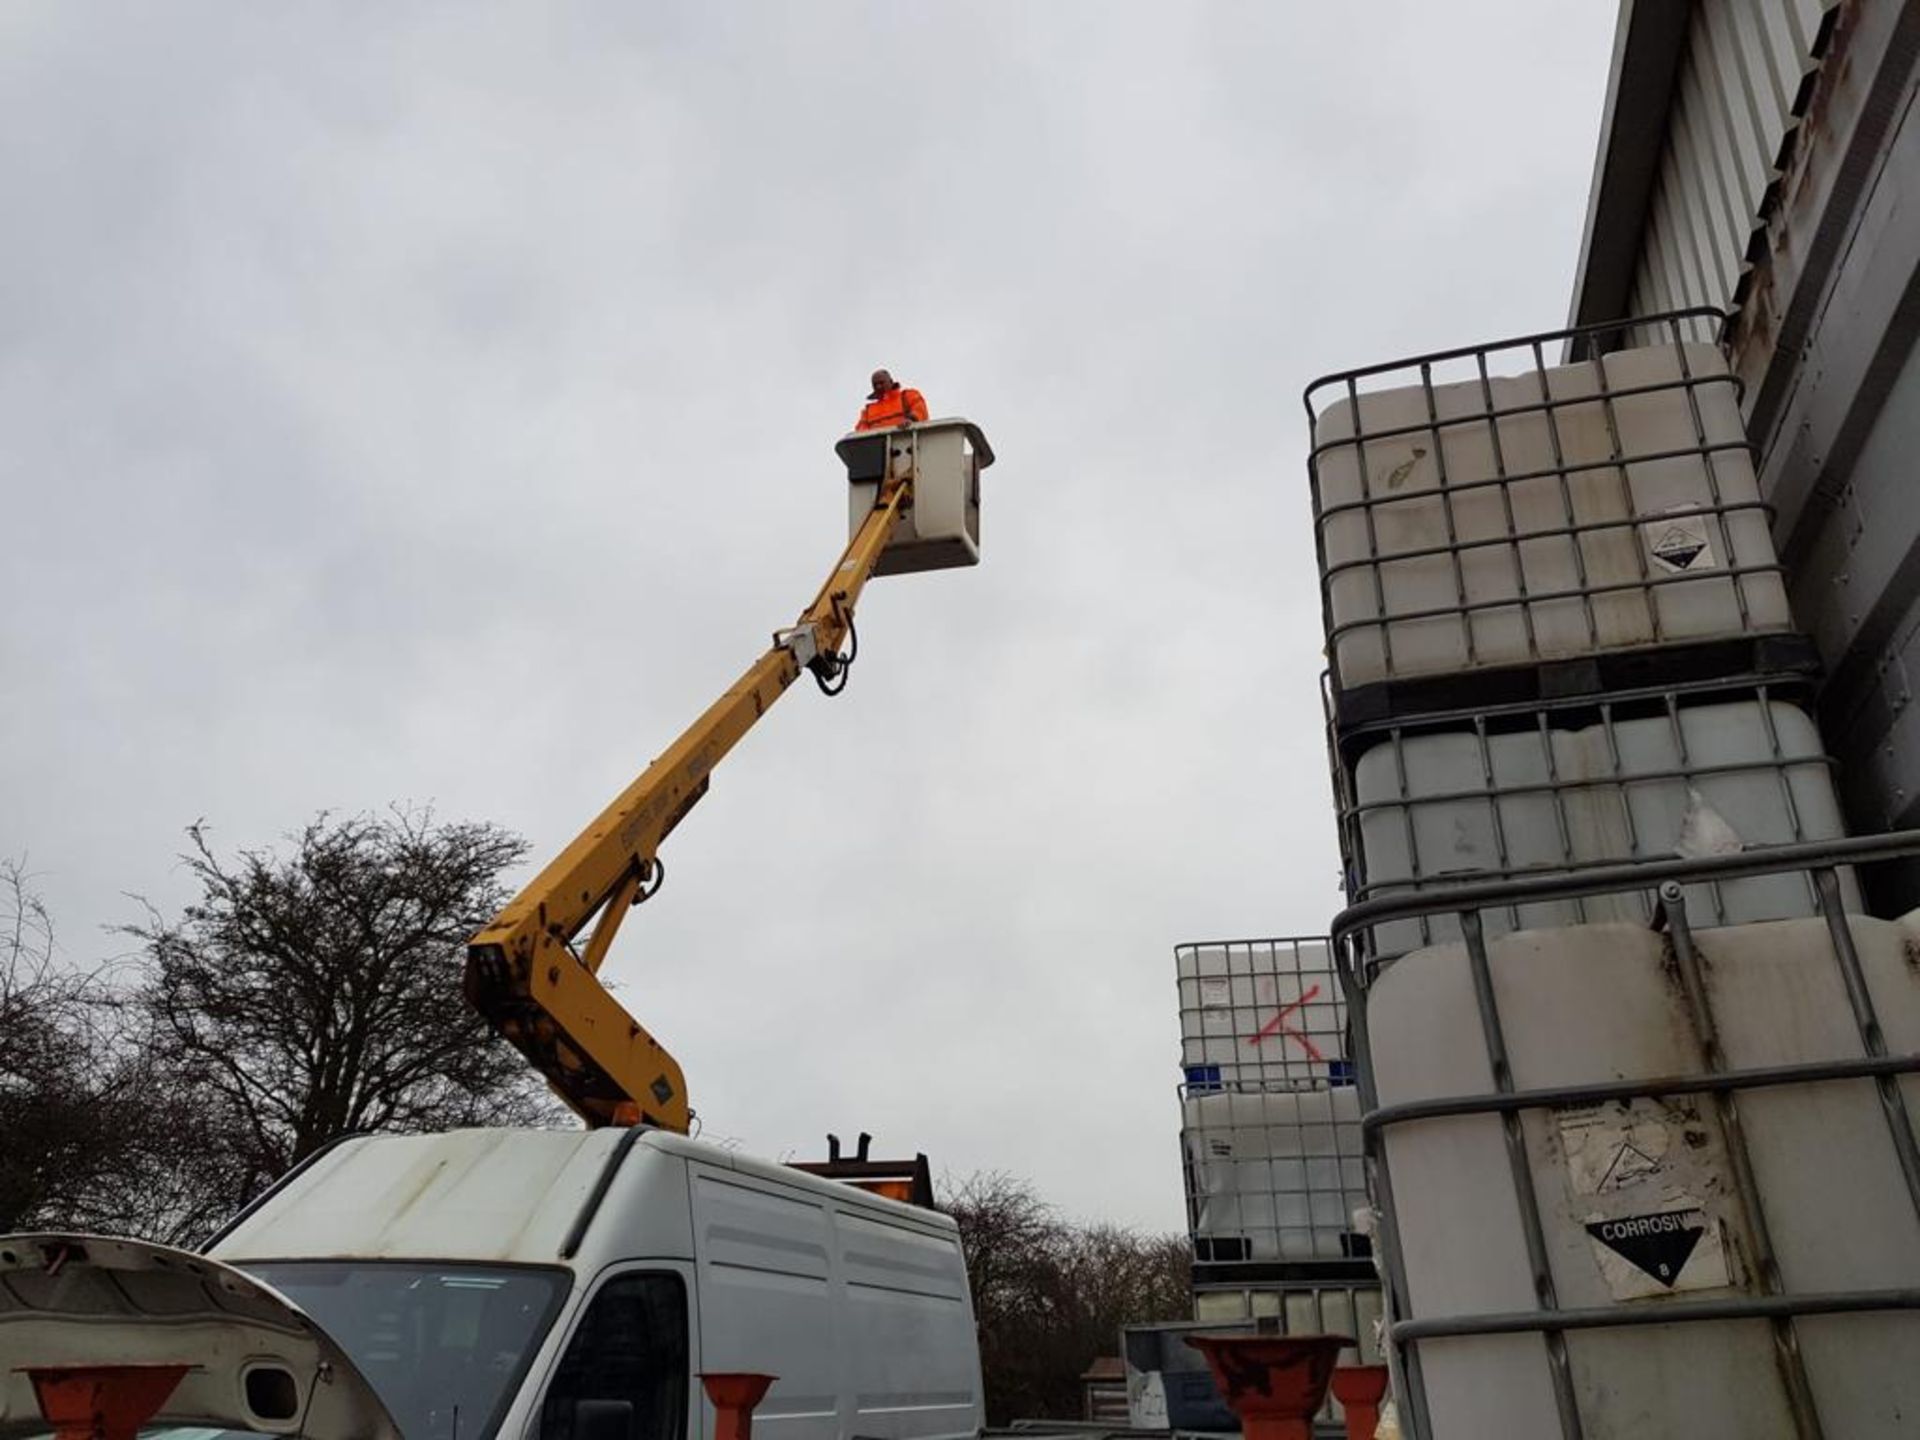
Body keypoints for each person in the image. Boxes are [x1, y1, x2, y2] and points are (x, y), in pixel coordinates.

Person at [854, 369, 928, 431]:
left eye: (881, 383)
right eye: (875, 384)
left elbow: (919, 409)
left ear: (891, 382)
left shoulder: (907, 396)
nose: (878, 387)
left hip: (906, 440)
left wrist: (911, 420)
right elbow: (861, 430)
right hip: (877, 446)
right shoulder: (867, 411)